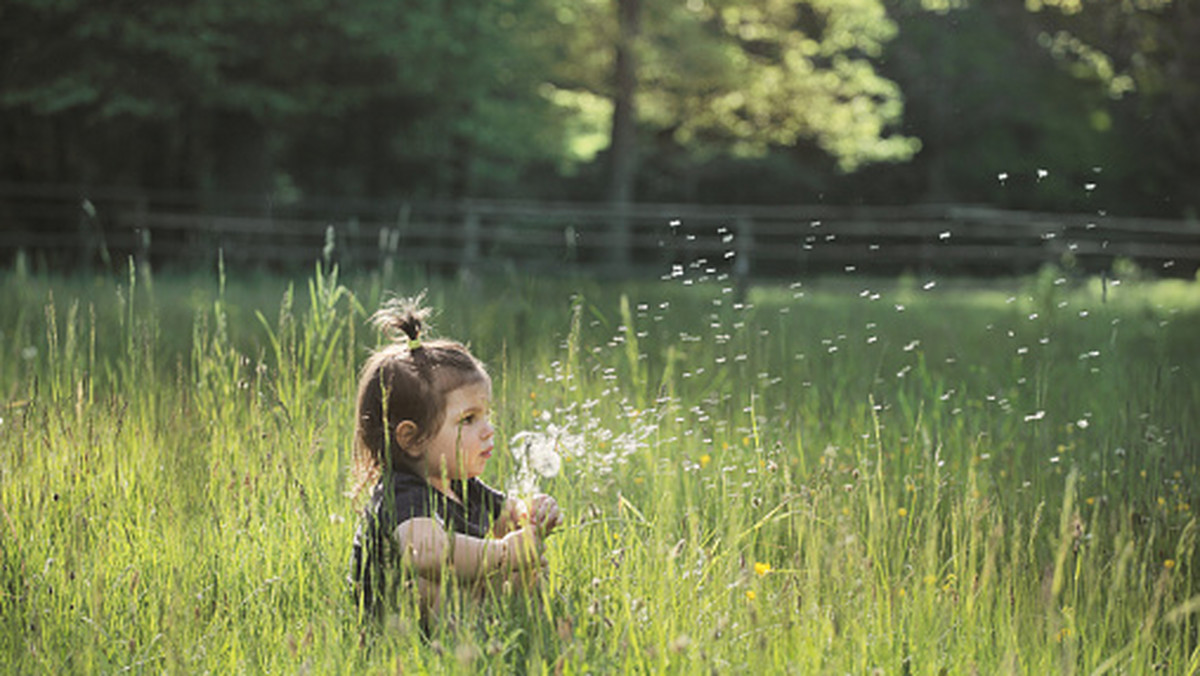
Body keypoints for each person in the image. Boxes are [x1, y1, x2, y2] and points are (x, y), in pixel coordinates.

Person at [349, 296, 561, 627]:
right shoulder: (401, 493)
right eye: (468, 420)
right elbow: (427, 552)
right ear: (412, 438)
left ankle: (499, 621)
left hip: (457, 603)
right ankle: (471, 627)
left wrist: (533, 513)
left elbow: (508, 518)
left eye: (486, 416)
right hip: (393, 620)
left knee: (533, 567)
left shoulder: (461, 485)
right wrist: (503, 554)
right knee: (424, 584)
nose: (489, 430)